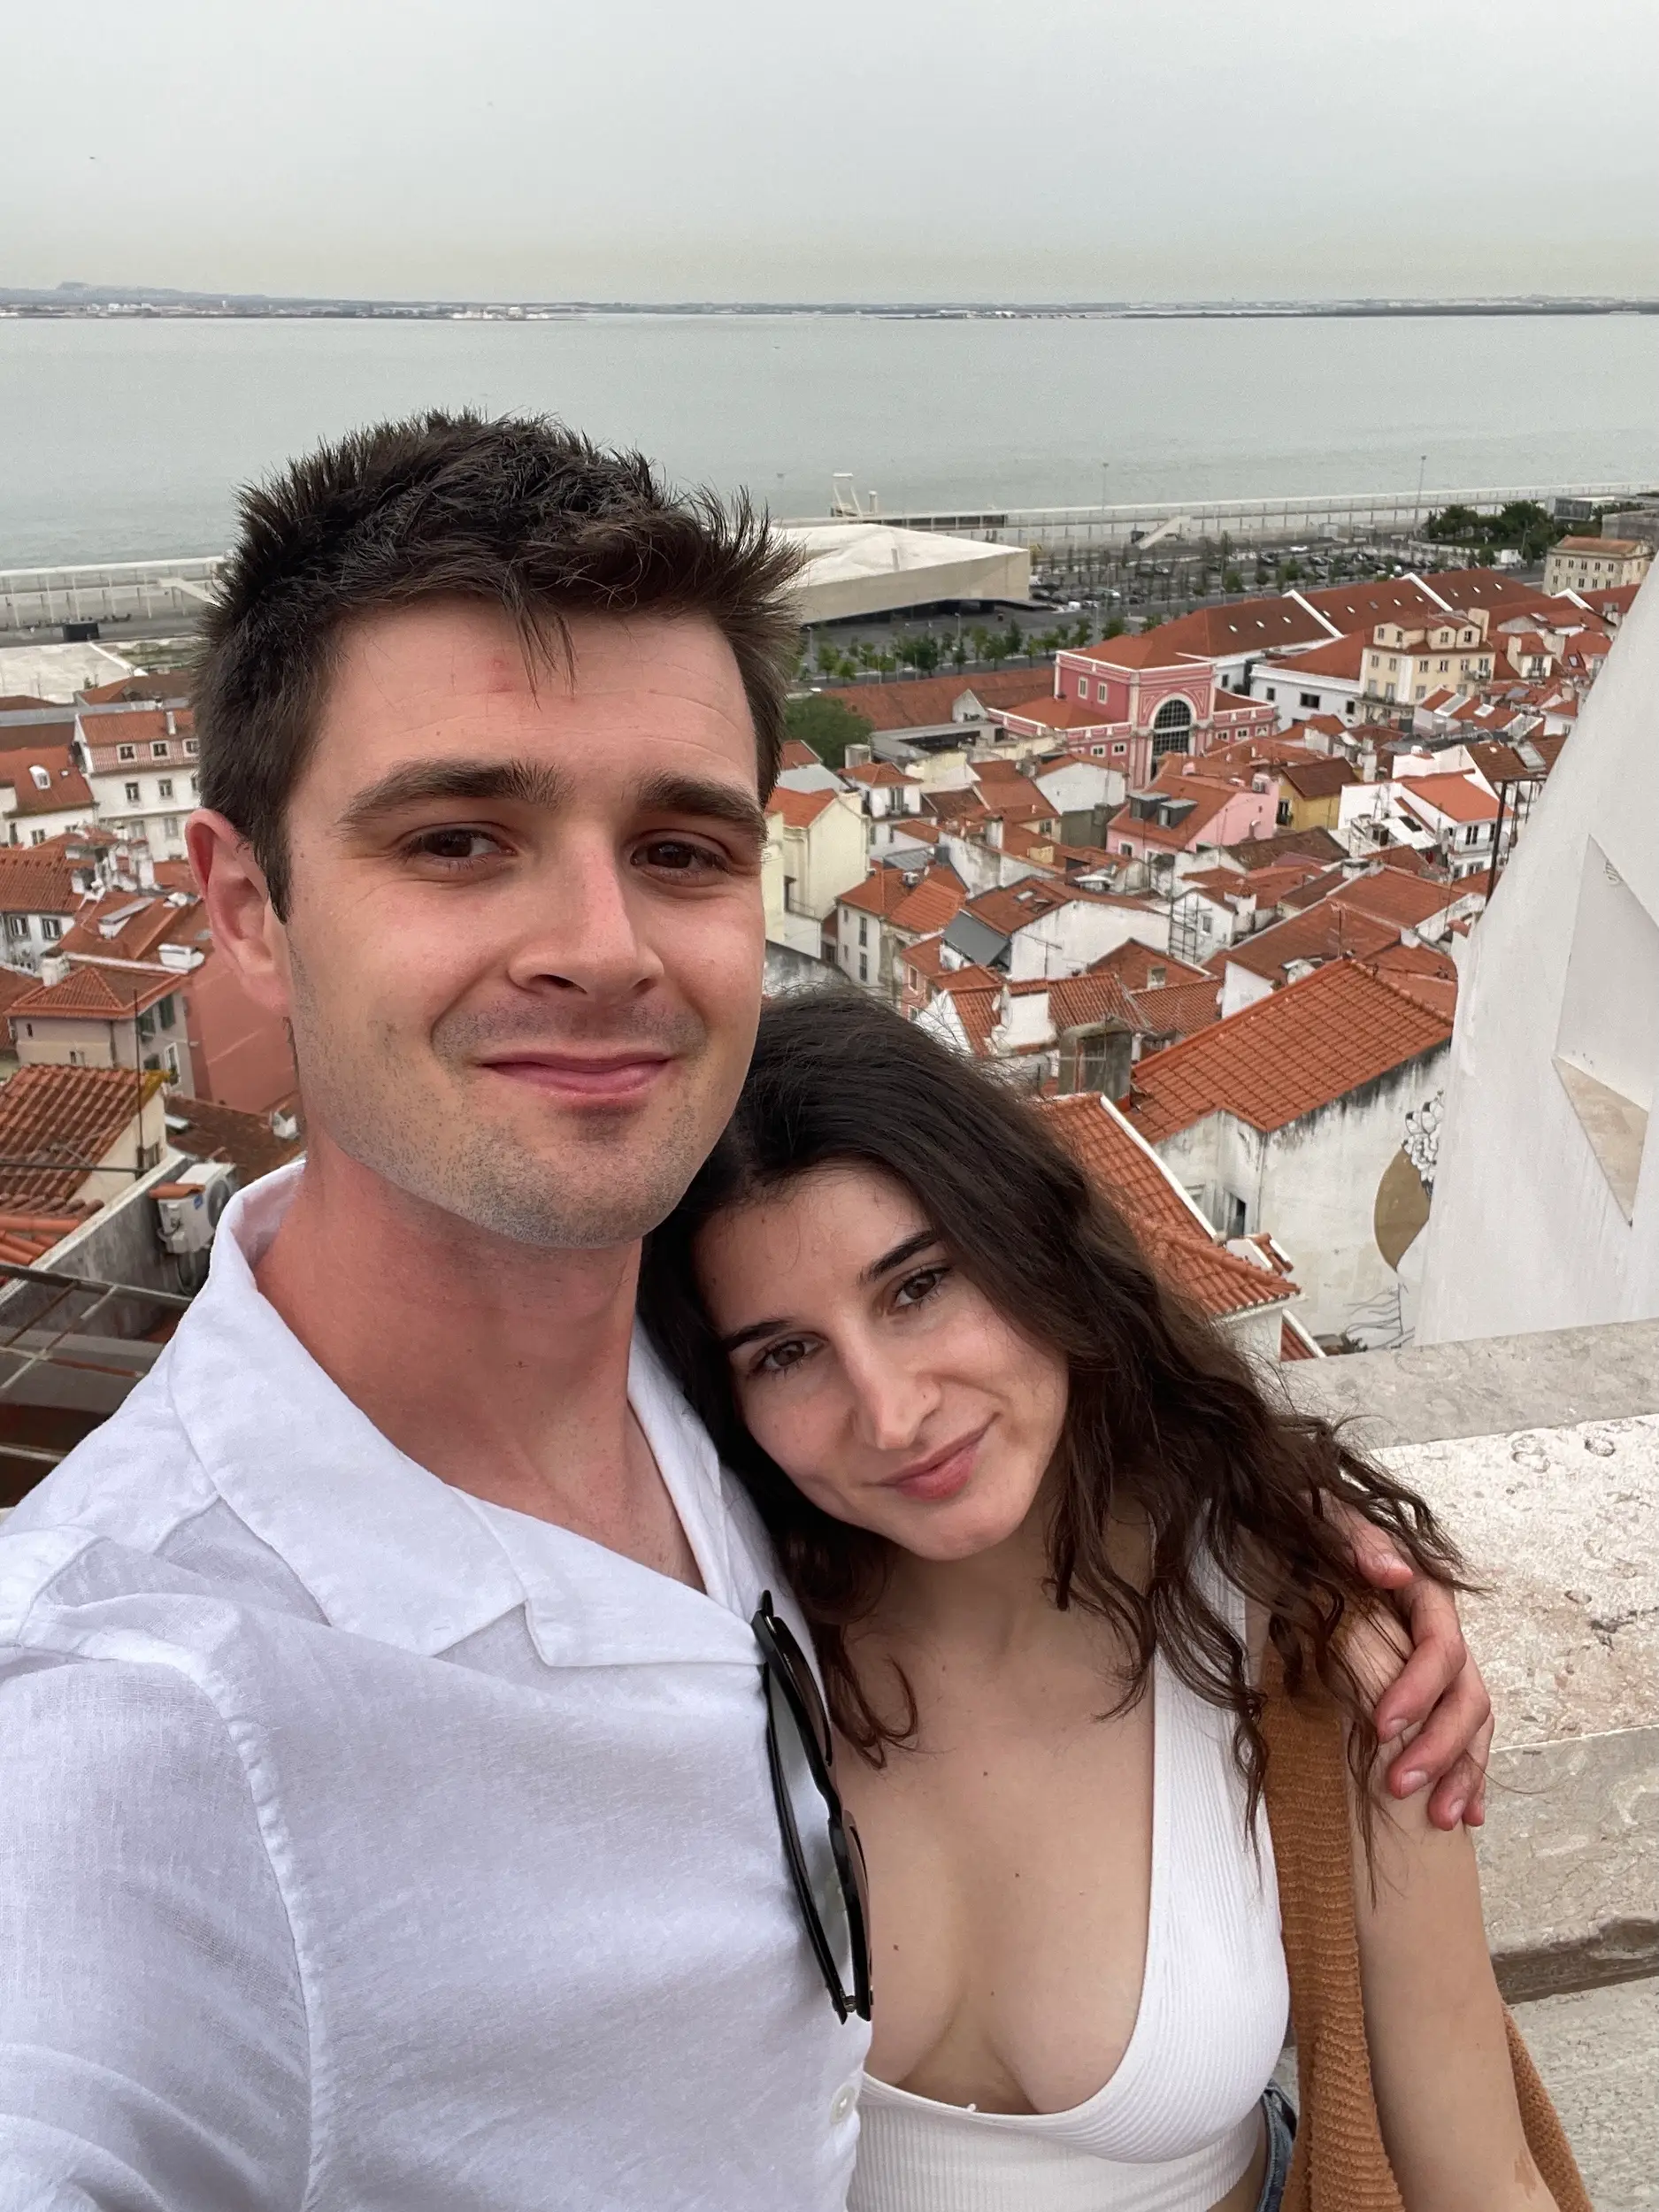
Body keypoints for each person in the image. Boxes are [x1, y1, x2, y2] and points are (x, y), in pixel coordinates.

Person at [0, 413, 1491, 2210]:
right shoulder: (125, 1719)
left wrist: (1292, 1526)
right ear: (247, 906)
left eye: (683, 848)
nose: (602, 943)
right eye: (459, 838)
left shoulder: (702, 1384)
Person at [640, 992, 1588, 2212]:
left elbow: (1476, 2178)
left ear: (1033, 1248)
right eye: (785, 1353)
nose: (890, 1412)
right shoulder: (705, 1633)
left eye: (919, 1286)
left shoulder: (1308, 1655)